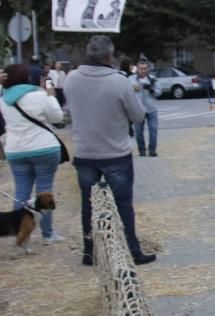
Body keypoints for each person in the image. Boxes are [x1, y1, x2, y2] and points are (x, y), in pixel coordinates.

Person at [64, 35, 156, 266]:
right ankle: (132, 249)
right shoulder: (119, 81)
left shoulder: (72, 79)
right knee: (123, 204)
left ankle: (89, 251)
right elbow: (137, 115)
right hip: (115, 152)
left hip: (85, 151)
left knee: (88, 204)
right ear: (109, 55)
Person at [0, 63, 65, 244]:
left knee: (21, 191)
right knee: (45, 190)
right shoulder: (39, 95)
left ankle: (19, 233)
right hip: (44, 148)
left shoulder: (3, 99)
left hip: (15, 150)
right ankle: (47, 234)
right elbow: (57, 117)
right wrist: (51, 93)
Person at [130, 61, 159, 157]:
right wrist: (133, 87)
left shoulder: (153, 79)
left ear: (148, 69)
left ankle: (152, 150)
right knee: (138, 132)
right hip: (138, 109)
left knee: (153, 130)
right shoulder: (131, 79)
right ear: (137, 69)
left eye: (145, 68)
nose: (143, 71)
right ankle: (142, 150)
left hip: (151, 108)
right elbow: (125, 90)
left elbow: (159, 92)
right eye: (141, 69)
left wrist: (152, 89)